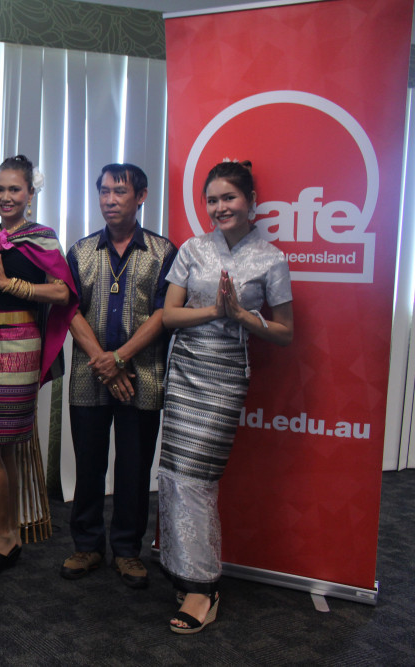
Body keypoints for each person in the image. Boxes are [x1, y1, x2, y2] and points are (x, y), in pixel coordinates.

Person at [159, 160, 293, 634]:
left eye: (229, 198)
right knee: (174, 474)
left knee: (197, 477)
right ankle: (184, 572)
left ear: (251, 200)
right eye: (212, 200)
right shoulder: (193, 250)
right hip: (186, 372)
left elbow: (284, 332)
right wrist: (214, 311)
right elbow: (169, 317)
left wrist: (242, 316)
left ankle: (204, 587)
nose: (220, 207)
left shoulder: (272, 259)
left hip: (224, 377)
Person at [0, 155, 76, 576]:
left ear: (30, 194)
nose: (6, 197)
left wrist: (10, 284)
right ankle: (8, 535)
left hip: (19, 346)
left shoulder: (42, 239)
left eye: (14, 189)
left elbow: (62, 293)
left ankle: (5, 535)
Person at [61, 163, 177, 589]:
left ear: (141, 196)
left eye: (120, 192)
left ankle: (128, 550)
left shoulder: (164, 252)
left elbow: (164, 313)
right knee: (89, 464)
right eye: (104, 192)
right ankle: (87, 546)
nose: (110, 200)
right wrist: (104, 363)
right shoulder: (82, 251)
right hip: (90, 374)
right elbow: (69, 310)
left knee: (133, 466)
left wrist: (121, 359)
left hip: (143, 375)